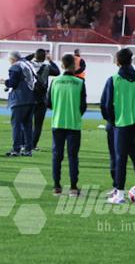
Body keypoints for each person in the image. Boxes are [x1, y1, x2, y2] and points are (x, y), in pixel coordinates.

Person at [100, 48, 135, 204]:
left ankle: (120, 194)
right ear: (131, 60)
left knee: (120, 159)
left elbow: (106, 105)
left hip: (122, 125)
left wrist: (113, 121)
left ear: (118, 61)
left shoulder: (114, 79)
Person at [46, 54, 87, 196]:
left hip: (57, 122)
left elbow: (48, 103)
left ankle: (56, 186)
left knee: (57, 155)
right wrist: (74, 114)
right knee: (73, 156)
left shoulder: (55, 82)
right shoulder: (80, 82)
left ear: (62, 66)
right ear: (74, 66)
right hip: (74, 124)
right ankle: (73, 187)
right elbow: (83, 106)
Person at [0, 51, 37, 157]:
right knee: (28, 126)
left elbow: (13, 83)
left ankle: (16, 149)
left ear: (12, 59)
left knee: (16, 125)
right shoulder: (27, 64)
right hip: (31, 98)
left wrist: (4, 82)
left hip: (20, 99)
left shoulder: (15, 67)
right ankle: (28, 149)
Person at [26, 49, 61, 151]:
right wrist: (50, 60)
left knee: (26, 122)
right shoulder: (46, 67)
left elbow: (22, 60)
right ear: (44, 57)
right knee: (38, 124)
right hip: (41, 98)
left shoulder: (27, 65)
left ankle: (25, 143)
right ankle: (33, 144)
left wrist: (33, 54)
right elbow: (57, 72)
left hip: (29, 97)